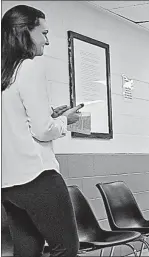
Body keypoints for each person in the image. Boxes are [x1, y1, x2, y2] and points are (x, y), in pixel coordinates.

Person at [2, 5, 83, 257]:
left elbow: (13, 120)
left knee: (26, 251)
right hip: (37, 176)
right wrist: (64, 122)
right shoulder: (29, 66)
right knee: (66, 248)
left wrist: (48, 112)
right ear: (25, 32)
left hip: (8, 183)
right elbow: (43, 130)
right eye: (44, 33)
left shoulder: (5, 74)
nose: (47, 41)